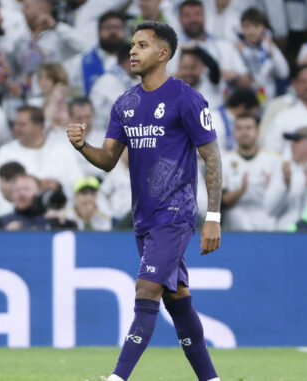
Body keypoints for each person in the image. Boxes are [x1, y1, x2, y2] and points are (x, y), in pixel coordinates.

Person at [67, 21, 222, 381]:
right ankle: (211, 379)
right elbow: (107, 159)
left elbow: (211, 157)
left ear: (163, 53)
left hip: (177, 211)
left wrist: (212, 216)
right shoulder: (126, 103)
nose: (132, 51)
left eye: (142, 45)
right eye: (132, 45)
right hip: (145, 217)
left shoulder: (186, 98)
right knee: (176, 297)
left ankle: (117, 377)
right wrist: (82, 146)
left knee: (147, 287)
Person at [0, 105, 84, 196]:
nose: (16, 128)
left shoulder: (62, 150)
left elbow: (78, 182)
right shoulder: (5, 152)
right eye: (16, 124)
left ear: (39, 127)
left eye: (22, 125)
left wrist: (58, 185)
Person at [221, 113, 281, 231]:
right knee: (236, 216)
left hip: (267, 215)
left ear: (257, 132)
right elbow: (222, 201)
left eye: (248, 128)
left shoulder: (275, 160)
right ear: (234, 133)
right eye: (239, 128)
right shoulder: (223, 160)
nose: (244, 132)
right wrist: (241, 191)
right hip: (234, 217)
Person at [263, 64, 307, 156]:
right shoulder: (283, 117)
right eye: (303, 81)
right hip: (291, 168)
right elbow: (270, 150)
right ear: (295, 85)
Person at [236, 7, 289, 102]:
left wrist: (272, 50)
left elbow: (284, 73)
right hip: (243, 102)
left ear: (263, 28)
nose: (251, 31)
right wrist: (239, 54)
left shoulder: (270, 48)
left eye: (256, 26)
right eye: (247, 26)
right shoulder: (236, 49)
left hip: (267, 102)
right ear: (242, 29)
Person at [0, 173, 74, 231]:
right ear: (12, 195)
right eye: (17, 190)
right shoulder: (0, 223)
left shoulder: (53, 220)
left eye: (27, 189)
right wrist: (4, 234)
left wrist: (62, 224)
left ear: (39, 192)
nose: (21, 193)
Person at [212, 87, 259, 152]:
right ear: (241, 107)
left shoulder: (231, 119)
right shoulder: (214, 120)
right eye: (250, 114)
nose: (250, 117)